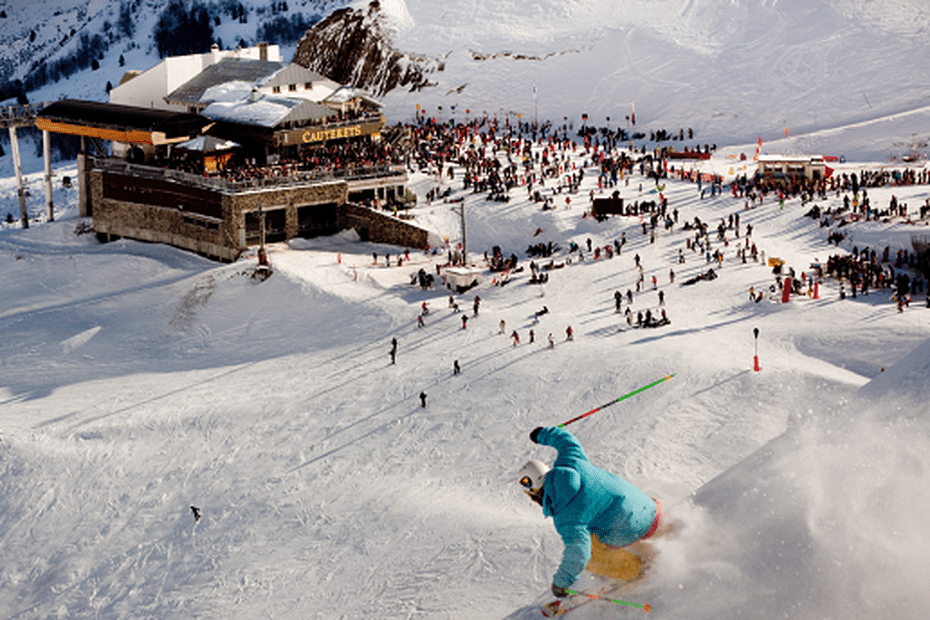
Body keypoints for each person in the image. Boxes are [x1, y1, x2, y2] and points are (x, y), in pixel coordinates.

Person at [519, 426, 663, 598]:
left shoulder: (564, 517)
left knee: (590, 553)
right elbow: (566, 440)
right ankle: (654, 537)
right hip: (650, 509)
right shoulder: (571, 459)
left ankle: (638, 569)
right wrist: (541, 434)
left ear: (536, 492)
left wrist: (561, 583)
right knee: (599, 518)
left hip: (630, 529)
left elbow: (579, 552)